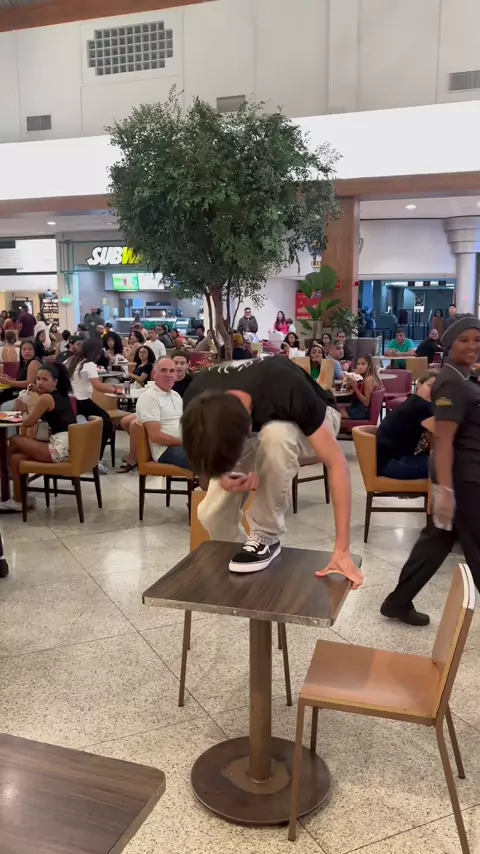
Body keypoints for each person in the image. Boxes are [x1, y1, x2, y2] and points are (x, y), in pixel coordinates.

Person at [182, 356, 363, 584]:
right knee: (211, 514)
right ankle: (244, 556)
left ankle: (266, 536)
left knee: (277, 433)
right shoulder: (196, 399)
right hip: (256, 425)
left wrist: (342, 550)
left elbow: (337, 463)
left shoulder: (285, 386)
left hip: (320, 418)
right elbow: (208, 456)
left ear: (249, 424)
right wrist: (226, 475)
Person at [380, 315, 480, 626]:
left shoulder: (463, 377)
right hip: (465, 477)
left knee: (436, 541)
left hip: (465, 472)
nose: (472, 346)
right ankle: (398, 601)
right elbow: (444, 439)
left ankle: (397, 602)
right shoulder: (450, 382)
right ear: (449, 344)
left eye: (477, 340)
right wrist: (445, 490)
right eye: (464, 340)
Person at [0, 362, 77, 513]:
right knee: (16, 458)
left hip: (59, 448)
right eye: (38, 379)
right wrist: (37, 391)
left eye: (44, 379)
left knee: (14, 440)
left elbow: (28, 422)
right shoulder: (62, 395)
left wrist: (23, 409)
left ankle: (5, 472)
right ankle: (18, 500)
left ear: (55, 381)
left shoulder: (46, 398)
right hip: (70, 445)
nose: (40, 382)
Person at [376, 370, 437, 480]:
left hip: (383, 462)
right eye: (430, 385)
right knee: (448, 463)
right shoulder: (422, 406)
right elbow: (443, 432)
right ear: (419, 385)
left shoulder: (413, 401)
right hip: (393, 463)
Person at [66, 338, 112, 474]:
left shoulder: (70, 361)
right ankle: (96, 459)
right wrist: (115, 389)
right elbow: (98, 386)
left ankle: (92, 457)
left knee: (98, 424)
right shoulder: (89, 364)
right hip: (83, 402)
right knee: (106, 423)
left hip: (70, 401)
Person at [136, 357, 192, 470]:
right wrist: (186, 442)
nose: (169, 375)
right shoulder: (150, 397)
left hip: (180, 445)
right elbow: (156, 436)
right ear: (154, 374)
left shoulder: (175, 395)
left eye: (172, 371)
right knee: (209, 460)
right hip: (165, 450)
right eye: (163, 370)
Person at [341, 354, 384, 420]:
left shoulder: (369, 379)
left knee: (332, 414)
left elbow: (366, 403)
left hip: (362, 410)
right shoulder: (361, 377)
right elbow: (347, 389)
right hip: (356, 406)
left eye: (363, 364)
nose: (359, 367)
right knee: (333, 411)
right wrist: (351, 378)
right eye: (358, 364)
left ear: (369, 366)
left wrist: (355, 388)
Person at [0, 340, 41, 406]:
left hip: (30, 397)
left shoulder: (34, 363)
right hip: (22, 394)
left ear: (34, 351)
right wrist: (10, 379)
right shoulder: (25, 363)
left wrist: (9, 382)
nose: (27, 351)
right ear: (21, 352)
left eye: (30, 349)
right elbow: (22, 380)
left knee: (4, 405)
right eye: (24, 349)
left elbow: (29, 384)